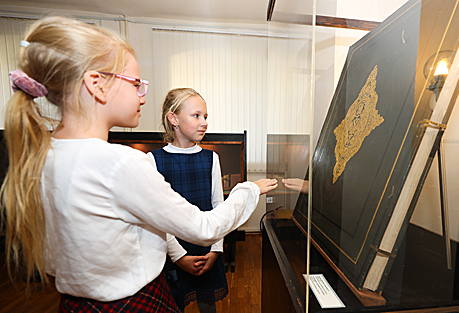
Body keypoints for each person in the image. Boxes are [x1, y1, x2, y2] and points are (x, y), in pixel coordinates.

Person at [0, 16, 278, 313]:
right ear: (97, 85)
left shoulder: (42, 155)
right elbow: (203, 226)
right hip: (132, 303)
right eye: (135, 84)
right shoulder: (120, 163)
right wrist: (248, 190)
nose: (142, 96)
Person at [150, 88, 226, 312]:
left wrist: (215, 250)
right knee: (174, 304)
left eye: (206, 117)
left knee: (207, 305)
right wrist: (179, 256)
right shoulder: (152, 160)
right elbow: (158, 216)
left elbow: (218, 207)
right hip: (172, 249)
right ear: (173, 118)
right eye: (196, 115)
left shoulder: (211, 158)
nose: (204, 122)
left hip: (206, 247)